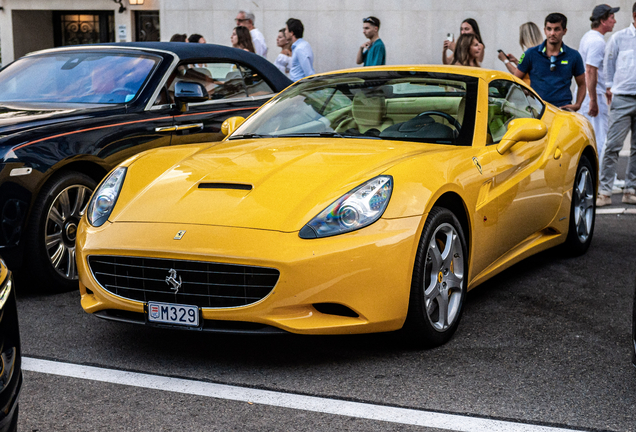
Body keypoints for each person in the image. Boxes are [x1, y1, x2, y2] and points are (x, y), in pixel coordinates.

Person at [596, 2, 636, 207]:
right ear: (635, 16)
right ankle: (604, 192)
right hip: (622, 98)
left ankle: (631, 190)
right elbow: (608, 64)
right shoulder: (619, 38)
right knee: (612, 145)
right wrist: (609, 87)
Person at [514, 13, 585, 111]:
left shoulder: (574, 56)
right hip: (537, 110)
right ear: (544, 30)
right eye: (549, 29)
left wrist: (578, 104)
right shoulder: (530, 54)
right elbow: (515, 80)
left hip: (563, 109)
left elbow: (582, 84)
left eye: (557, 29)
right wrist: (526, 96)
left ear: (564, 31)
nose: (552, 33)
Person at [579, 4, 619, 175]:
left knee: (595, 136)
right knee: (600, 137)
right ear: (603, 20)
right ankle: (602, 178)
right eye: (611, 17)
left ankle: (601, 176)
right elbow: (590, 70)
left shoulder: (589, 37)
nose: (614, 21)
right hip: (593, 95)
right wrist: (594, 100)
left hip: (592, 93)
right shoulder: (597, 41)